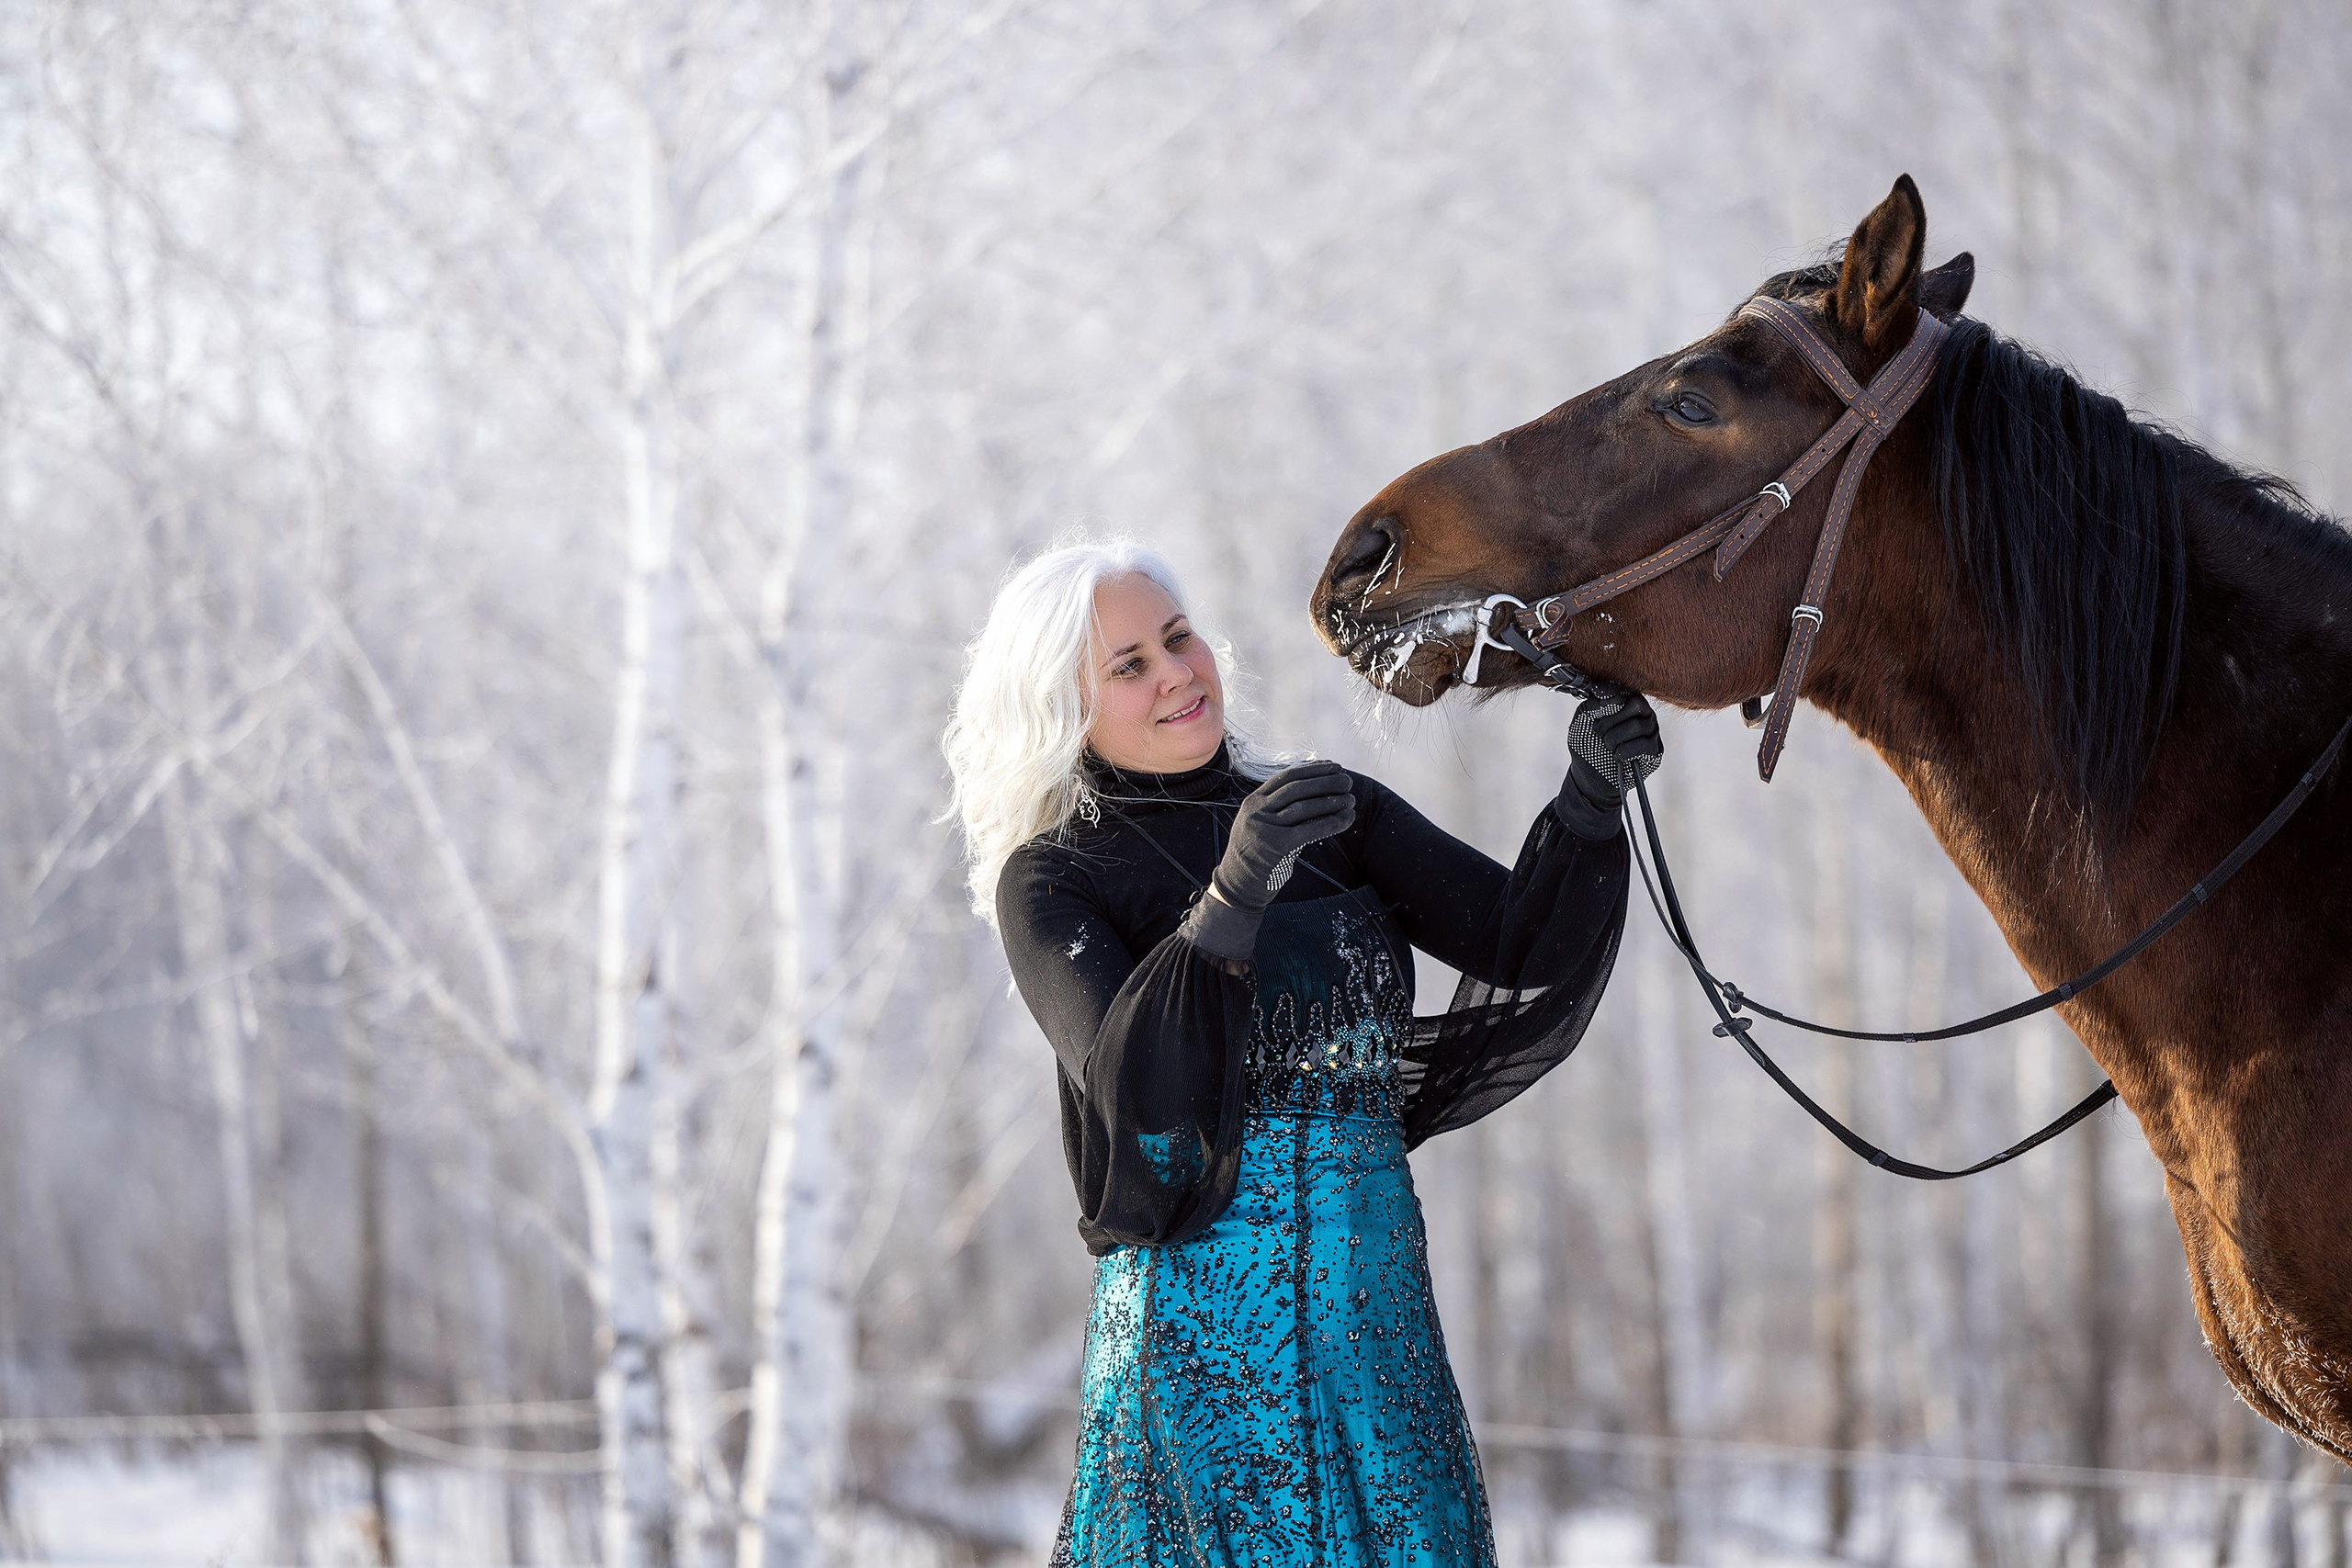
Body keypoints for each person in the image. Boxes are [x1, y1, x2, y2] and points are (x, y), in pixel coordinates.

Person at [943, 538, 1658, 1568]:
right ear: (1064, 706)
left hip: (1374, 1319)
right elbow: (1136, 1095)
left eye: (1177, 638)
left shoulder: (1328, 809)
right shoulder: (1051, 878)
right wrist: (1233, 897)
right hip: (1202, 1337)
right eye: (1128, 665)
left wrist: (1590, 798)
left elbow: (1524, 946)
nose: (1177, 673)